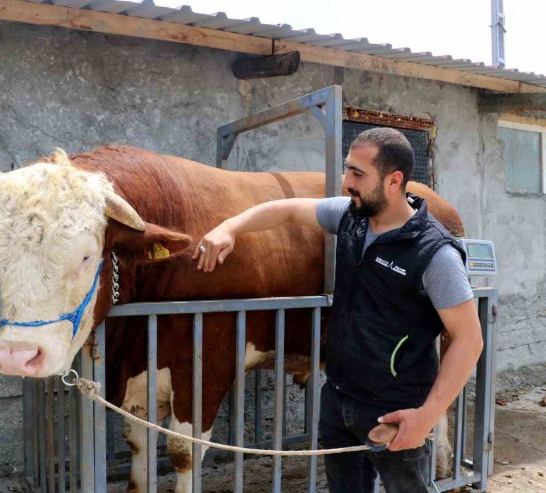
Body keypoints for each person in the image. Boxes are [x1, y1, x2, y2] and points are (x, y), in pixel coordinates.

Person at [193, 127, 483, 493]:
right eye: (348, 169)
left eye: (358, 174)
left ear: (394, 181)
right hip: (340, 398)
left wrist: (426, 417)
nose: (347, 182)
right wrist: (230, 227)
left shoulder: (435, 253)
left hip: (396, 410)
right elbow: (287, 210)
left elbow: (469, 340)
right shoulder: (351, 218)